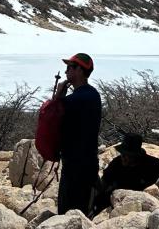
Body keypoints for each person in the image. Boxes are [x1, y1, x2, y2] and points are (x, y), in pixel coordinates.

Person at [54, 52, 102, 216]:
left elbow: (54, 114)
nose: (66, 71)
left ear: (80, 70)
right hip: (83, 163)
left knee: (71, 211)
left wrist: (59, 94)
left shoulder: (78, 99)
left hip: (77, 165)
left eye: (70, 67)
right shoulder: (91, 94)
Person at [96, 134, 159, 212]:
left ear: (136, 155)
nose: (123, 157)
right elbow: (103, 186)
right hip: (115, 207)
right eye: (122, 153)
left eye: (128, 155)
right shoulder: (116, 164)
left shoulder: (153, 165)